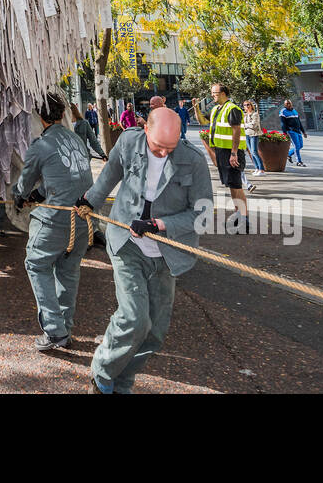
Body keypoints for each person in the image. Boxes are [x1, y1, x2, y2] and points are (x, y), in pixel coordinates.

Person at [78, 107, 212, 394]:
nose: (163, 153)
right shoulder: (128, 141)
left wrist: (160, 224)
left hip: (167, 253)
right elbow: (110, 173)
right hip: (127, 244)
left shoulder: (194, 160)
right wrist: (90, 201)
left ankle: (122, 381)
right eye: (157, 147)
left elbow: (203, 214)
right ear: (145, 129)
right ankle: (102, 372)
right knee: (135, 318)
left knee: (155, 333)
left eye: (170, 148)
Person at [13, 94, 95, 351]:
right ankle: (64, 328)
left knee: (36, 265)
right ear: (62, 115)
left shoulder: (40, 145)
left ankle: (54, 330)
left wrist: (21, 197)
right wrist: (40, 195)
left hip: (56, 221)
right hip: (82, 219)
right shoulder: (76, 139)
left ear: (39, 117)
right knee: (68, 272)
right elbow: (65, 177)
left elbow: (24, 184)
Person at [195, 84, 250, 224]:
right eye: (212, 93)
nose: (213, 95)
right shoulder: (215, 109)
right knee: (231, 184)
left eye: (215, 93)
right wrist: (196, 108)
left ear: (224, 93)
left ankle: (244, 217)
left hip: (231, 152)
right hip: (221, 151)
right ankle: (238, 213)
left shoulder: (232, 109)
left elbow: (236, 130)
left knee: (237, 185)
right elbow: (202, 121)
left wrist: (234, 153)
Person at [279, 99, 307, 166]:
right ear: (284, 105)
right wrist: (285, 133)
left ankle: (288, 154)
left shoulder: (294, 111)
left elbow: (299, 122)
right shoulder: (283, 112)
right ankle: (299, 161)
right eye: (286, 103)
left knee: (300, 146)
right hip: (291, 131)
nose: (288, 104)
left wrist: (303, 132)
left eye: (289, 103)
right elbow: (283, 124)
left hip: (298, 131)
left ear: (291, 103)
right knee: (296, 146)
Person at [242, 100, 262, 176]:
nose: (246, 106)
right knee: (251, 152)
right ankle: (257, 168)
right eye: (245, 105)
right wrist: (246, 125)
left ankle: (261, 169)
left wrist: (245, 125)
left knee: (254, 152)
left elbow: (254, 125)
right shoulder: (245, 115)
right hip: (247, 135)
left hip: (254, 134)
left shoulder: (255, 114)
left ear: (251, 105)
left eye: (248, 105)